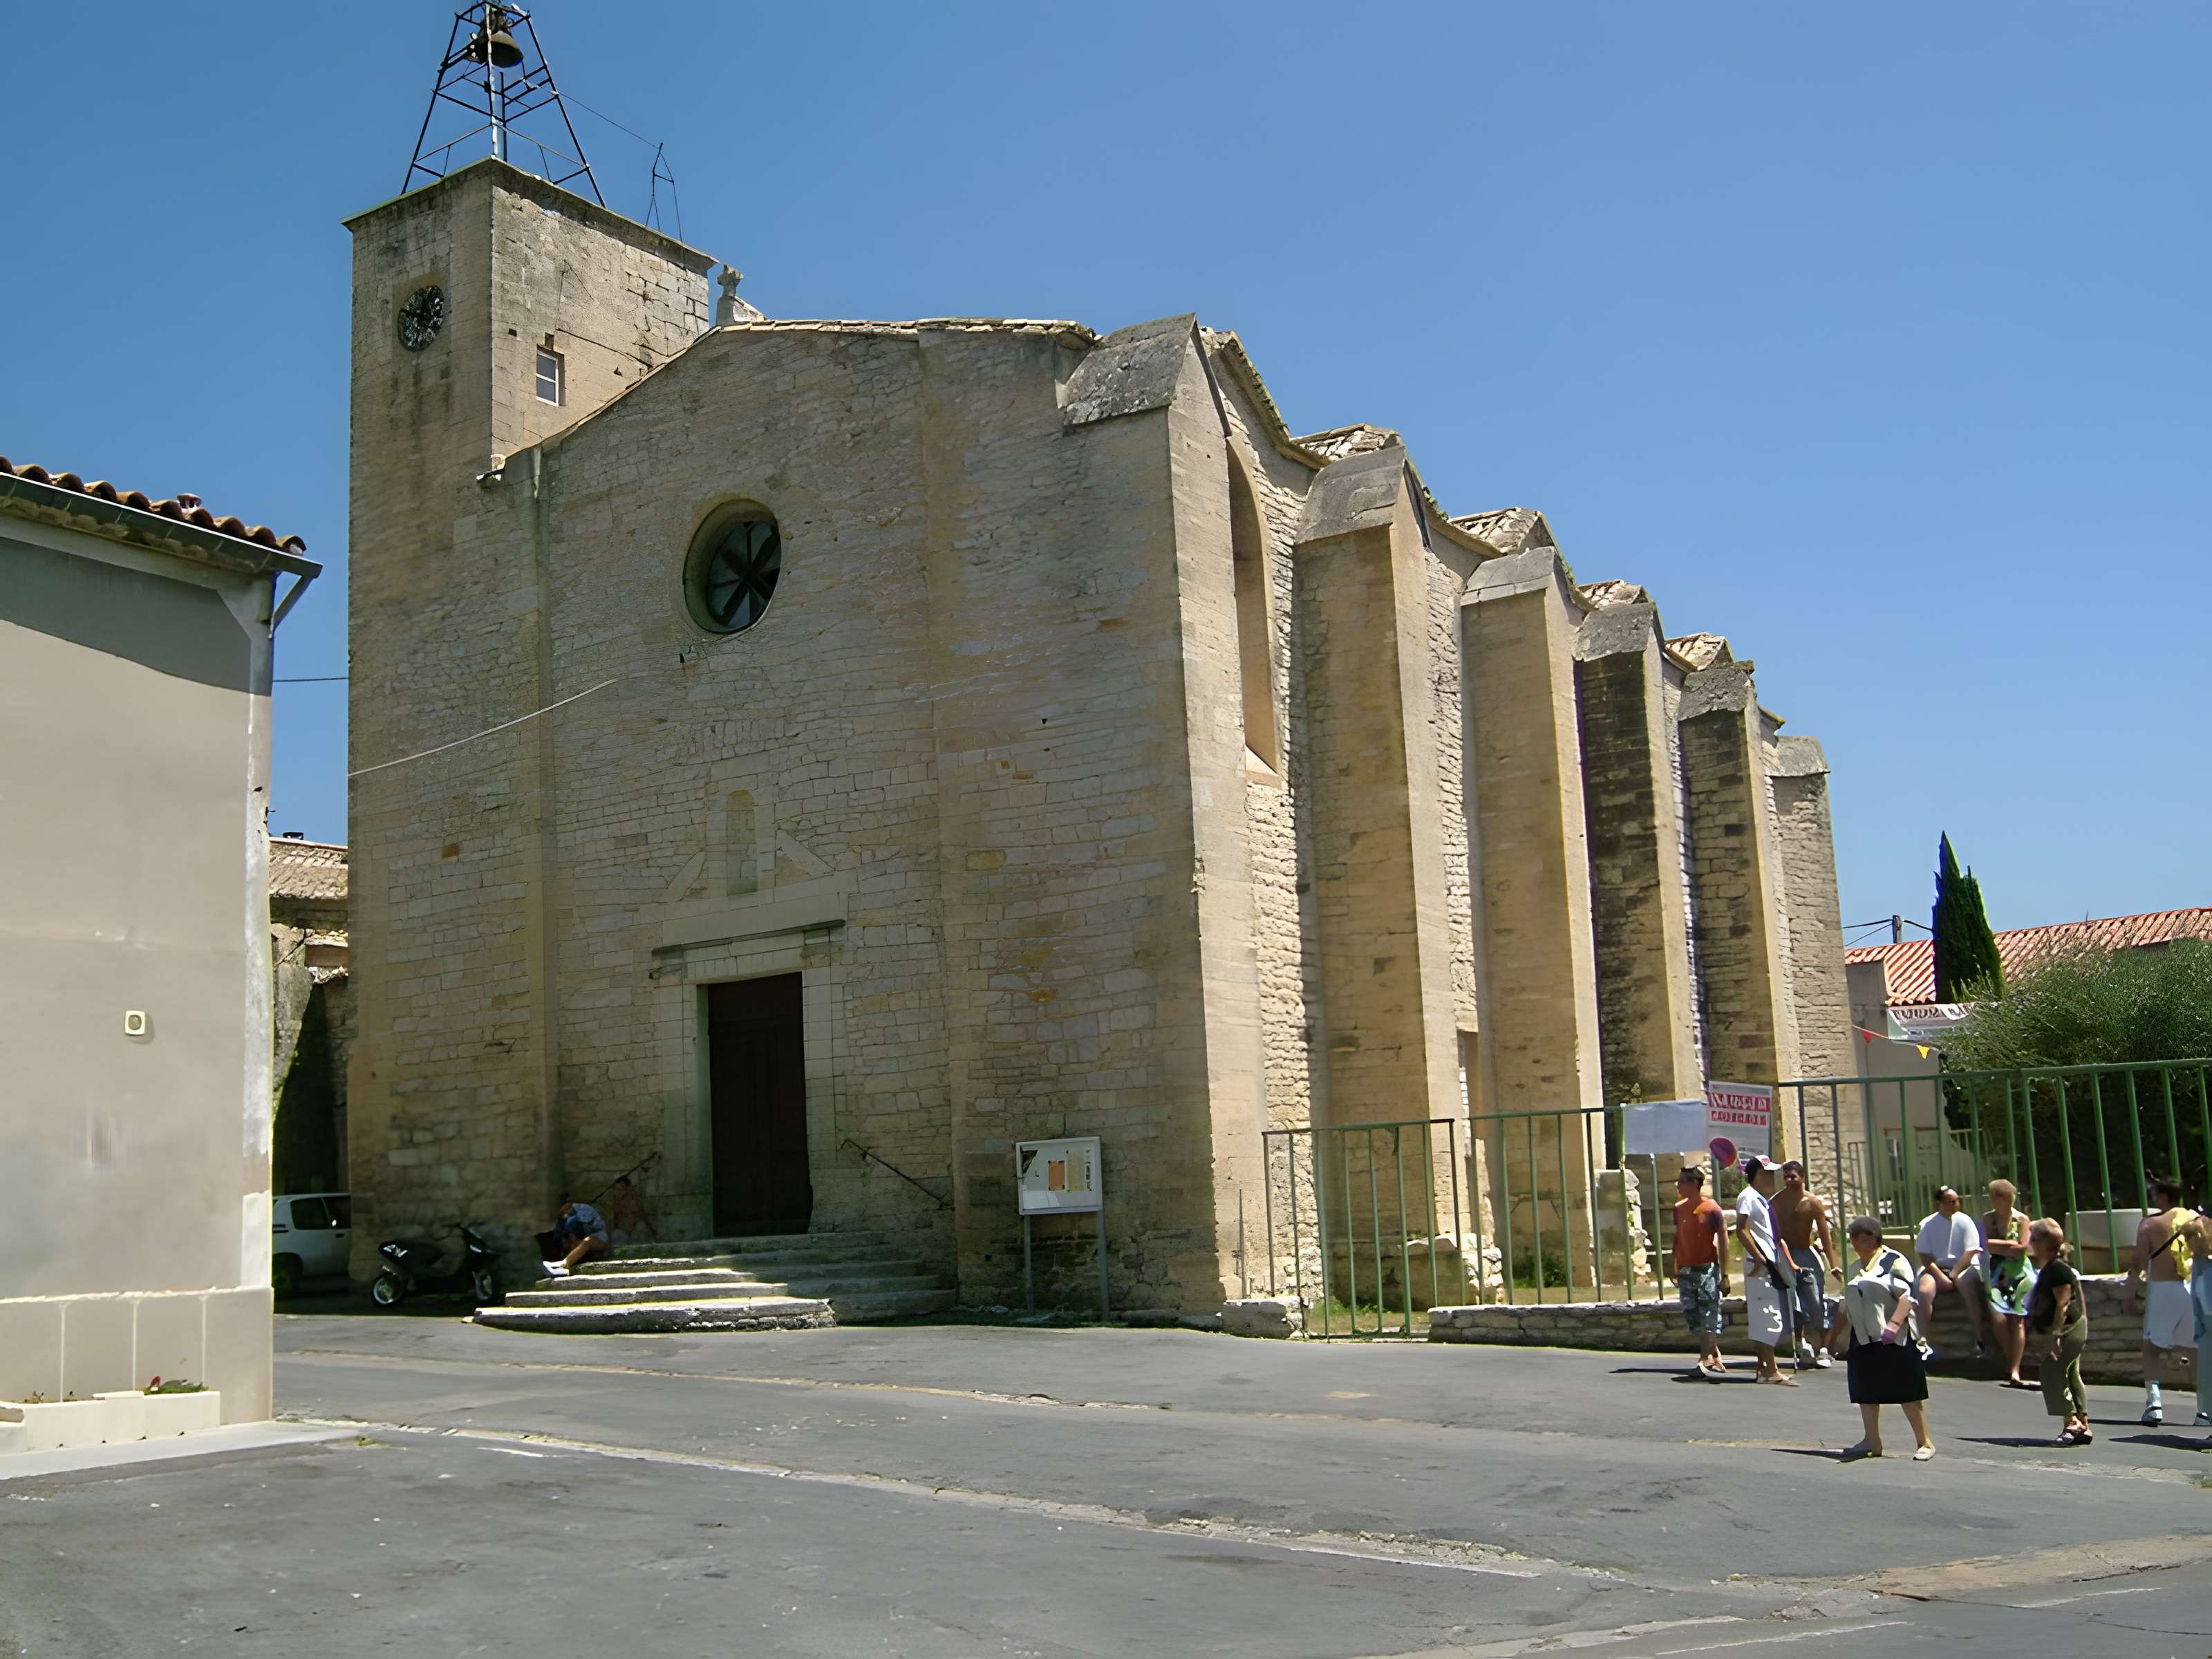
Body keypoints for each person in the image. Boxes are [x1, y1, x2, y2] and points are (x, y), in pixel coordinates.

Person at [1826, 1215, 1934, 1459]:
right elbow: (1846, 1306)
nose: (1859, 1241)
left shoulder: (1894, 1261)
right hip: (1863, 1339)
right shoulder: (1854, 1268)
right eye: (1855, 1236)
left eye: (1865, 1236)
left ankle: (1925, 1442)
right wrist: (1831, 1340)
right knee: (1866, 1391)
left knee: (1907, 1390)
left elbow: (1908, 1297)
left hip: (1894, 1337)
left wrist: (1894, 1324)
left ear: (1876, 1238)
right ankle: (1871, 1441)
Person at [2128, 1177, 2197, 1427]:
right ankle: (2205, 1410)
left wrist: (2130, 1289)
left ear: (2163, 1197)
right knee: (2195, 1350)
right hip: (2193, 1288)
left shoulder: (2151, 1224)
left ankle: (2154, 1404)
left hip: (2163, 1290)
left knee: (2152, 1348)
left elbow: (2139, 1261)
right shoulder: (2198, 1221)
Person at [2025, 1217, 2090, 1445]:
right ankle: (2082, 1423)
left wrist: (2054, 1337)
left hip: (2067, 1331)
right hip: (2070, 1329)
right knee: (2070, 1374)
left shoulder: (2057, 1270)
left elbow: (2063, 1304)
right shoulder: (2051, 1269)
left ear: (2043, 1243)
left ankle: (2071, 1422)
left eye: (2033, 1238)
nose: (2030, 1242)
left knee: (2051, 1373)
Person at [1734, 1156, 1797, 1385]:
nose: (1772, 1178)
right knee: (1768, 1314)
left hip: (1770, 1261)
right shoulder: (1748, 1197)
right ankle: (1770, 1370)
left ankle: (1765, 1367)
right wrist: (1759, 1258)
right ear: (1758, 1174)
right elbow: (1741, 1229)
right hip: (1761, 1263)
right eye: (1768, 1173)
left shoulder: (1761, 1199)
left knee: (1767, 1313)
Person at [1772, 1160, 1839, 1370]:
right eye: (1786, 1177)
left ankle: (1823, 1349)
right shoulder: (1776, 1202)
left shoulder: (1812, 1202)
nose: (1790, 1181)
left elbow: (1825, 1235)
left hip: (1805, 1253)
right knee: (1793, 1303)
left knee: (1814, 1298)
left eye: (1793, 1176)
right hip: (1784, 1253)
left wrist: (1833, 1263)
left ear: (1802, 1177)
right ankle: (1802, 1345)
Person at [1911, 1185, 1986, 1361]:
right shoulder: (1927, 1224)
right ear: (1938, 1203)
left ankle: (1978, 1338)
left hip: (1963, 1268)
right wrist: (1940, 1277)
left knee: (1966, 1285)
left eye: (1956, 1201)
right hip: (1937, 1269)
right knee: (1924, 1291)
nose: (1953, 1204)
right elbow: (1925, 1256)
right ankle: (1922, 1340)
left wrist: (1953, 1274)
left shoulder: (1965, 1221)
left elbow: (1970, 1252)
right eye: (1948, 1201)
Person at [1672, 1166, 1731, 1379]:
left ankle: (1704, 1359)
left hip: (1707, 1268)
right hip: (1686, 1269)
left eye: (1682, 1181)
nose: (1678, 1186)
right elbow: (1678, 1238)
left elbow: (1723, 1242)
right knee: (1693, 1314)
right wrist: (1675, 1265)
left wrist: (1725, 1274)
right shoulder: (1678, 1208)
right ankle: (1714, 1355)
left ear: (1694, 1183)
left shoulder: (1711, 1208)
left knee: (1708, 1312)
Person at [1980, 1179, 2038, 1389]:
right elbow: (1984, 1245)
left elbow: (2023, 1247)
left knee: (2018, 1320)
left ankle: (2014, 1368)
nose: (1990, 1200)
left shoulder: (2022, 1220)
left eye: (1993, 1195)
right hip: (1996, 1273)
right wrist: (2008, 1246)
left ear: (2002, 1197)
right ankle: (2010, 1357)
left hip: (2019, 1273)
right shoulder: (1988, 1220)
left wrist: (2001, 1247)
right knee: (1999, 1319)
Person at [541, 1197, 610, 1279]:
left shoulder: (583, 1210)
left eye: (563, 1211)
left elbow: (582, 1232)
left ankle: (563, 1265)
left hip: (600, 1238)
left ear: (567, 1205)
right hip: (582, 1238)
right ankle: (560, 1267)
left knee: (587, 1241)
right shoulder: (569, 1217)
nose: (563, 1214)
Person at [606, 1174, 658, 1247]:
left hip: (635, 1233)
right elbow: (616, 1221)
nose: (618, 1192)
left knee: (641, 1228)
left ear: (627, 1189)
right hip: (623, 1233)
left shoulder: (634, 1201)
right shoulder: (616, 1202)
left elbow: (642, 1216)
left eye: (621, 1188)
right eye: (616, 1189)